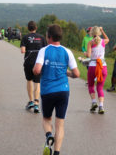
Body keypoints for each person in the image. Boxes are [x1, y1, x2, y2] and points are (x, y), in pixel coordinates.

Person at [33, 24, 80, 155]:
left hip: (48, 91)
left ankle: (49, 135)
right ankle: (57, 153)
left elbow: (37, 70)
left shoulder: (44, 50)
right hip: (63, 91)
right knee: (60, 124)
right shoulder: (67, 51)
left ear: (49, 37)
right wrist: (67, 73)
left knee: (47, 119)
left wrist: (36, 70)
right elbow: (77, 74)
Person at [20, 21, 47, 113]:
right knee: (37, 82)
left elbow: (23, 51)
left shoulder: (25, 37)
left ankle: (31, 101)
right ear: (36, 28)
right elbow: (45, 50)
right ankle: (36, 103)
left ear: (28, 28)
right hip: (38, 63)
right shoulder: (42, 37)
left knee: (29, 80)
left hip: (28, 62)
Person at [86, 26, 109, 114]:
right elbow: (107, 39)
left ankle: (94, 102)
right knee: (100, 87)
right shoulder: (103, 41)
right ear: (99, 32)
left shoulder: (90, 42)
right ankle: (101, 106)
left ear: (91, 33)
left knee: (91, 85)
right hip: (102, 66)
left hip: (93, 66)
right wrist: (102, 30)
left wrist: (85, 53)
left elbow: (88, 55)